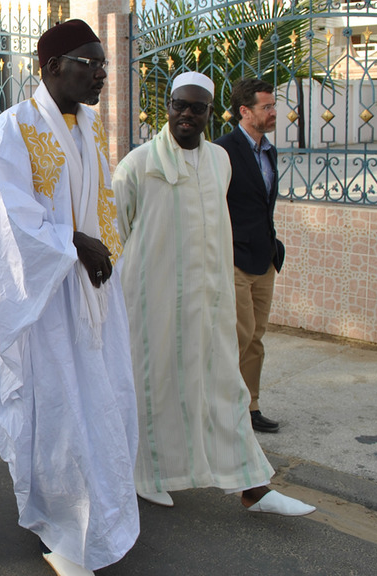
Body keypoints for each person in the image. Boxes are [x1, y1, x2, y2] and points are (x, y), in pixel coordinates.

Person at [0, 19, 139, 576]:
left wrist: (96, 249)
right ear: (50, 68)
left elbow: (102, 204)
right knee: (58, 414)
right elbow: (2, 217)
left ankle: (103, 515)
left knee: (101, 405)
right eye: (89, 64)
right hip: (42, 305)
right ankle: (61, 526)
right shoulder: (12, 129)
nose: (101, 76)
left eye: (102, 65)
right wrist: (71, 242)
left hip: (89, 298)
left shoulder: (87, 127)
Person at [112, 71, 315, 517]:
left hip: (211, 301)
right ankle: (146, 476)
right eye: (179, 105)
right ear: (167, 106)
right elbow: (118, 235)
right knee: (155, 388)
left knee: (225, 387)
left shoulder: (220, 161)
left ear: (210, 112)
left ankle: (252, 487)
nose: (187, 114)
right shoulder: (138, 166)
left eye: (197, 107)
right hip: (154, 305)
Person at [214, 78, 284, 433]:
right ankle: (226, 406)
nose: (274, 113)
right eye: (266, 107)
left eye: (273, 106)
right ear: (245, 111)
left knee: (256, 336)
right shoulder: (222, 151)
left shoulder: (269, 150)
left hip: (265, 260)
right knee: (237, 337)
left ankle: (251, 405)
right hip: (235, 259)